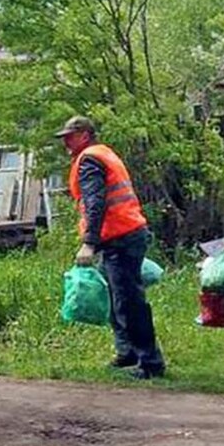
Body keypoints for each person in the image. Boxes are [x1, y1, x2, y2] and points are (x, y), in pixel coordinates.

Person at [57, 115, 165, 379]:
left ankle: (150, 362)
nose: (66, 143)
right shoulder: (104, 154)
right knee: (117, 299)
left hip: (120, 236)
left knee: (129, 302)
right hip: (126, 234)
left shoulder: (90, 160)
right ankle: (127, 352)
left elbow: (96, 203)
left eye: (69, 137)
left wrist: (89, 243)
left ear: (84, 135)